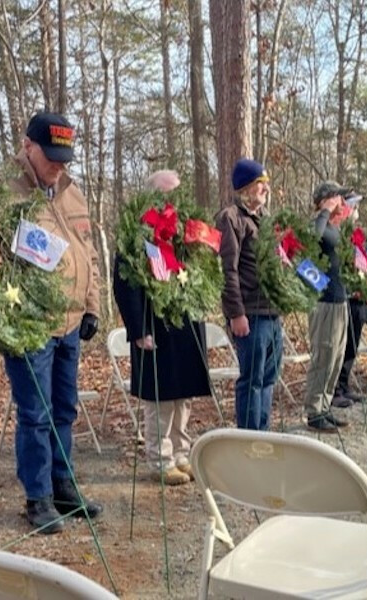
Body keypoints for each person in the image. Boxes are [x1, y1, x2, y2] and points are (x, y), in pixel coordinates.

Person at [2, 112, 102, 534]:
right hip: (31, 325)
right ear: (28, 146)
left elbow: (88, 252)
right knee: (35, 413)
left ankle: (63, 484)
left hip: (71, 322)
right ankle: (37, 496)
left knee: (63, 408)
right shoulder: (6, 194)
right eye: (51, 156)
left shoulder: (71, 193)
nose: (58, 165)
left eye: (65, 158)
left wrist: (93, 304)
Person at [113, 170, 210, 486]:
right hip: (154, 323)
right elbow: (124, 283)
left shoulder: (186, 228)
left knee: (183, 395)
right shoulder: (137, 232)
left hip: (185, 322)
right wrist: (139, 328)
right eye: (168, 193)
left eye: (177, 192)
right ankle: (160, 458)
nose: (174, 199)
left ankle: (182, 453)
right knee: (161, 396)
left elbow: (204, 271)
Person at [216, 159, 283, 430]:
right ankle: (248, 438)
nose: (266, 189)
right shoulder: (231, 218)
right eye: (261, 184)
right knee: (251, 380)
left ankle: (263, 435)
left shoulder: (267, 220)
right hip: (250, 314)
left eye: (266, 184)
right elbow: (227, 269)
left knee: (268, 378)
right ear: (246, 188)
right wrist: (236, 313)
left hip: (272, 312)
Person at [303, 182, 352, 432]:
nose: (340, 202)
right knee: (323, 354)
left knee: (336, 356)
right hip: (324, 301)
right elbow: (311, 239)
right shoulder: (316, 223)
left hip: (339, 298)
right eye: (336, 197)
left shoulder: (334, 226)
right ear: (324, 199)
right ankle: (313, 411)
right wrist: (325, 210)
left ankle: (325, 405)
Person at [333, 192, 367, 406]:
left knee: (352, 345)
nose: (356, 211)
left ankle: (344, 384)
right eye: (353, 206)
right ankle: (334, 389)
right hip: (343, 296)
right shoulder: (336, 232)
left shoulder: (355, 235)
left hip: (358, 297)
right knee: (341, 344)